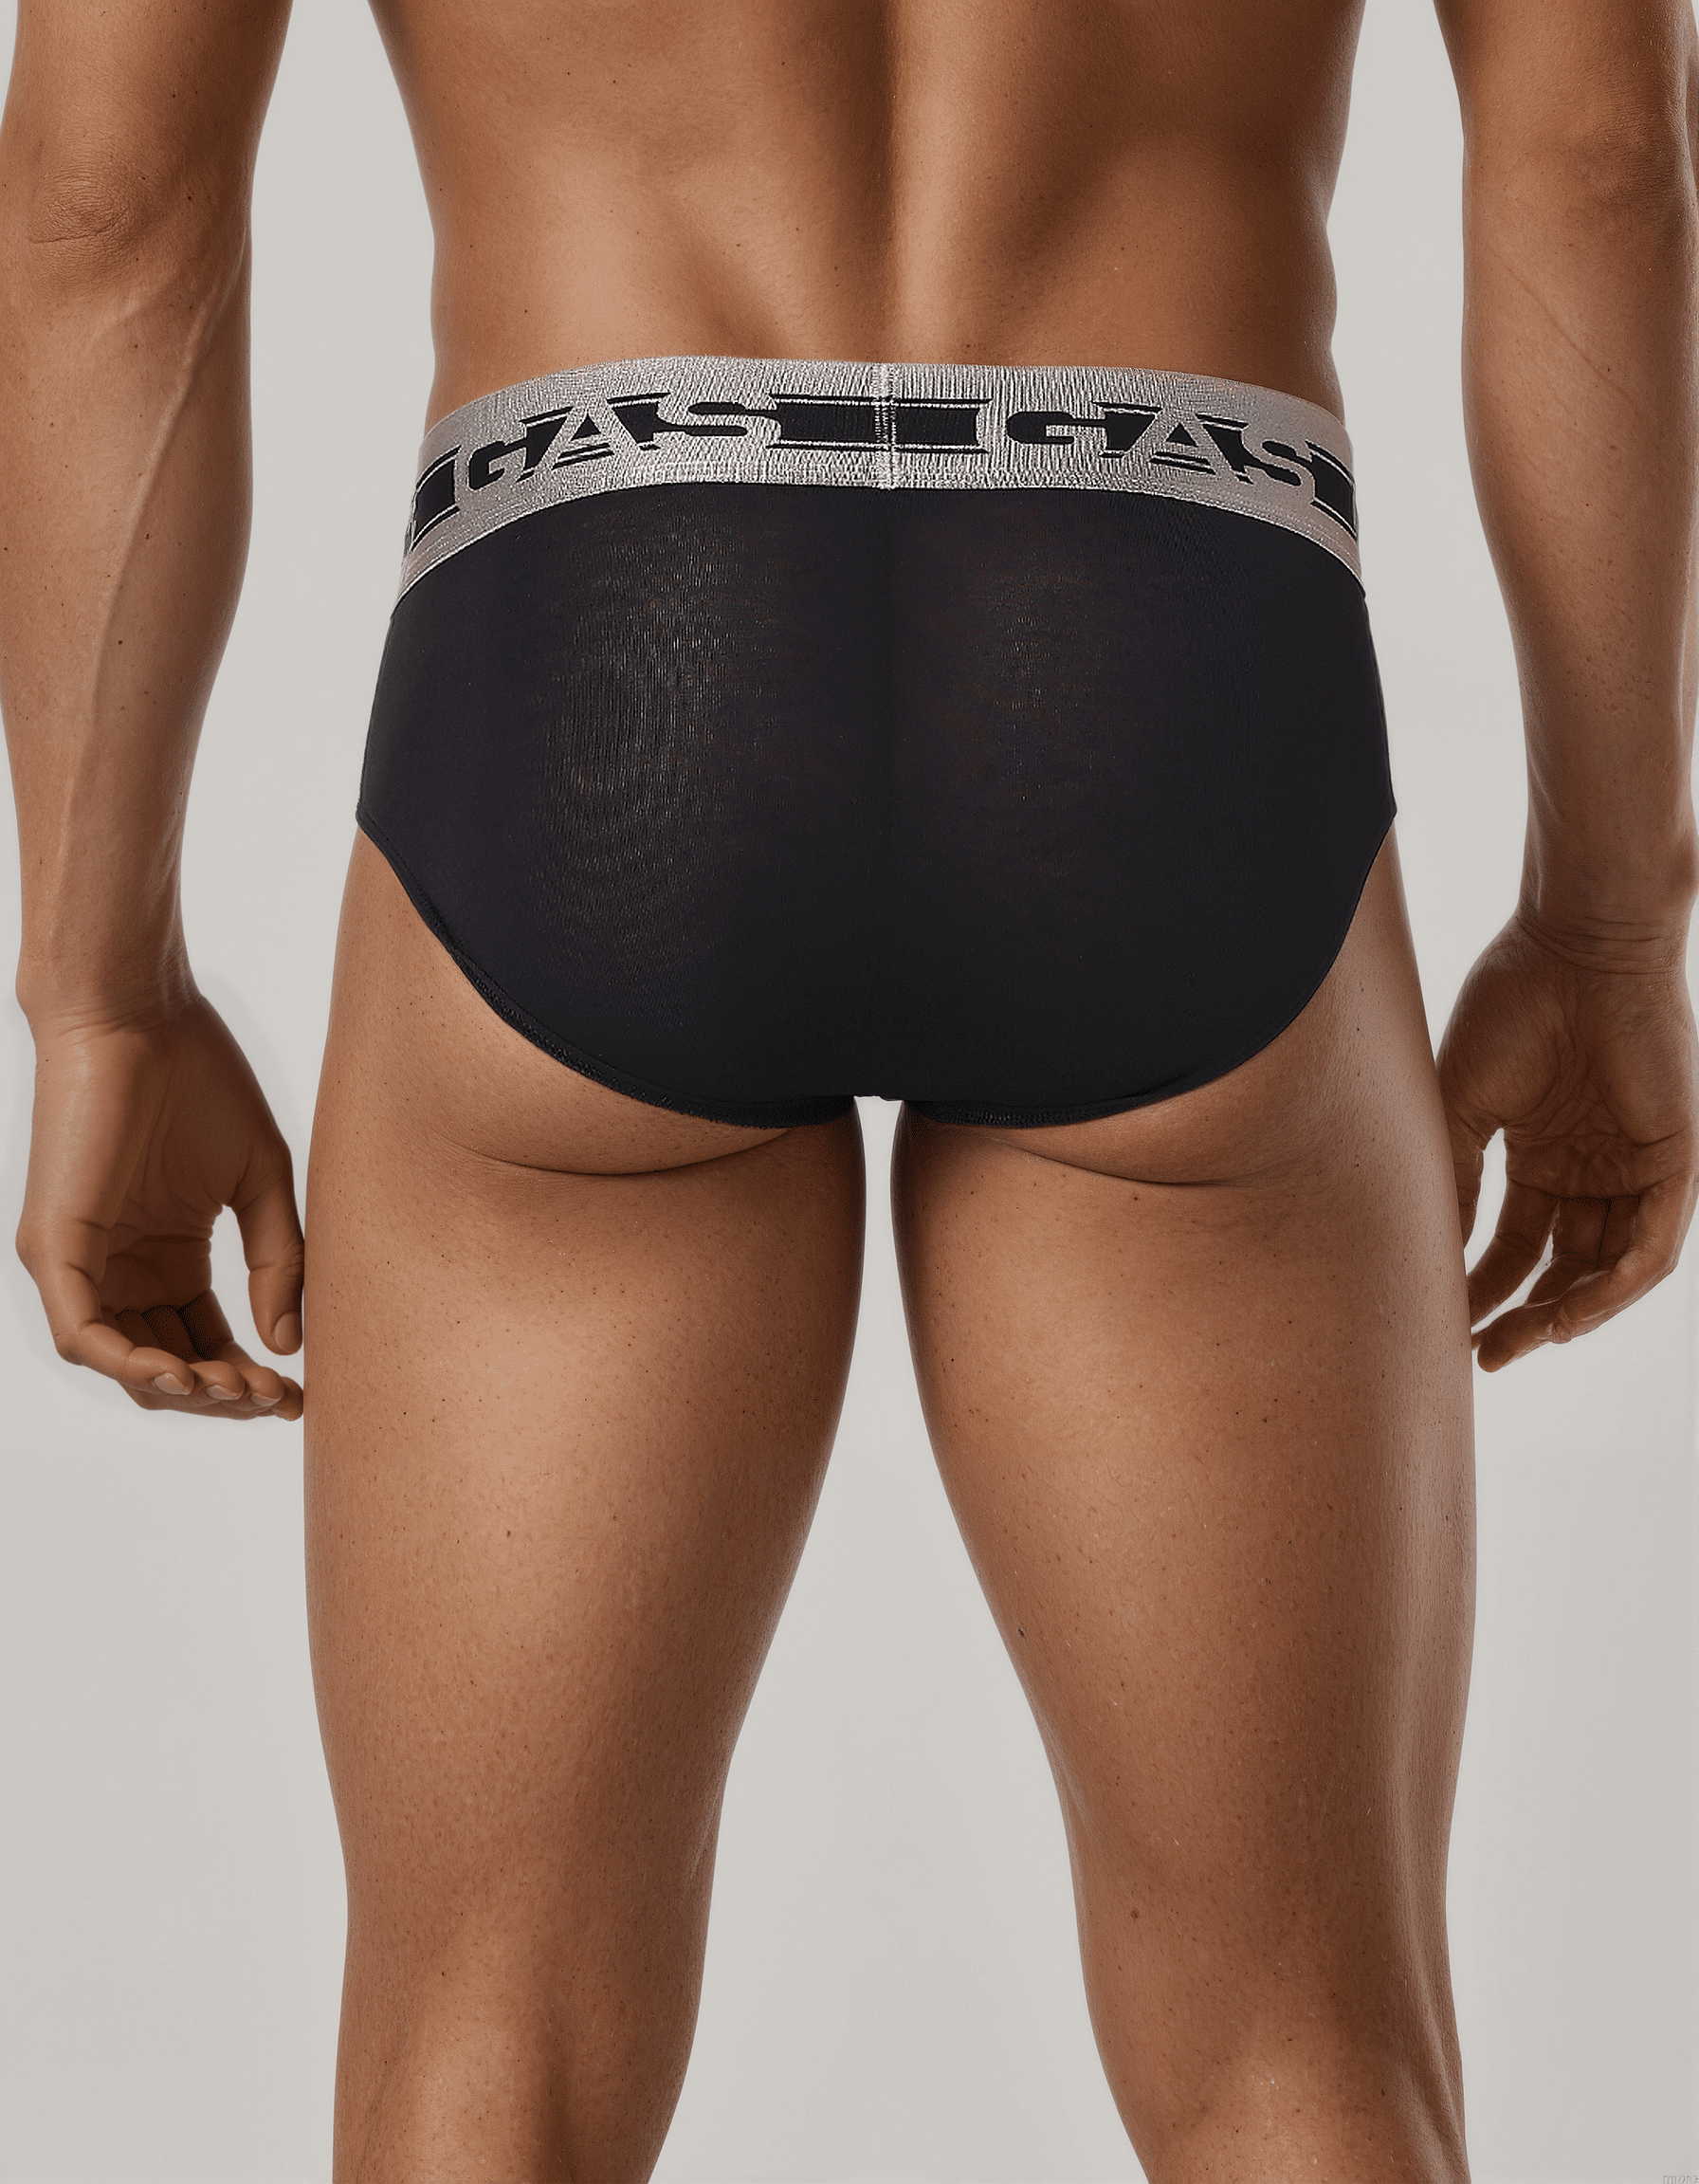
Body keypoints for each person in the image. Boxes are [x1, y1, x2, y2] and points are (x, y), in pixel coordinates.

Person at [3, 0, 1696, 2176]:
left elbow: (105, 203)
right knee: (1295, 2046)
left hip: (605, 649)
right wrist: (1605, 931)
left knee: (487, 2034)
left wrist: (103, 992)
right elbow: (1596, 157)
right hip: (1161, 644)